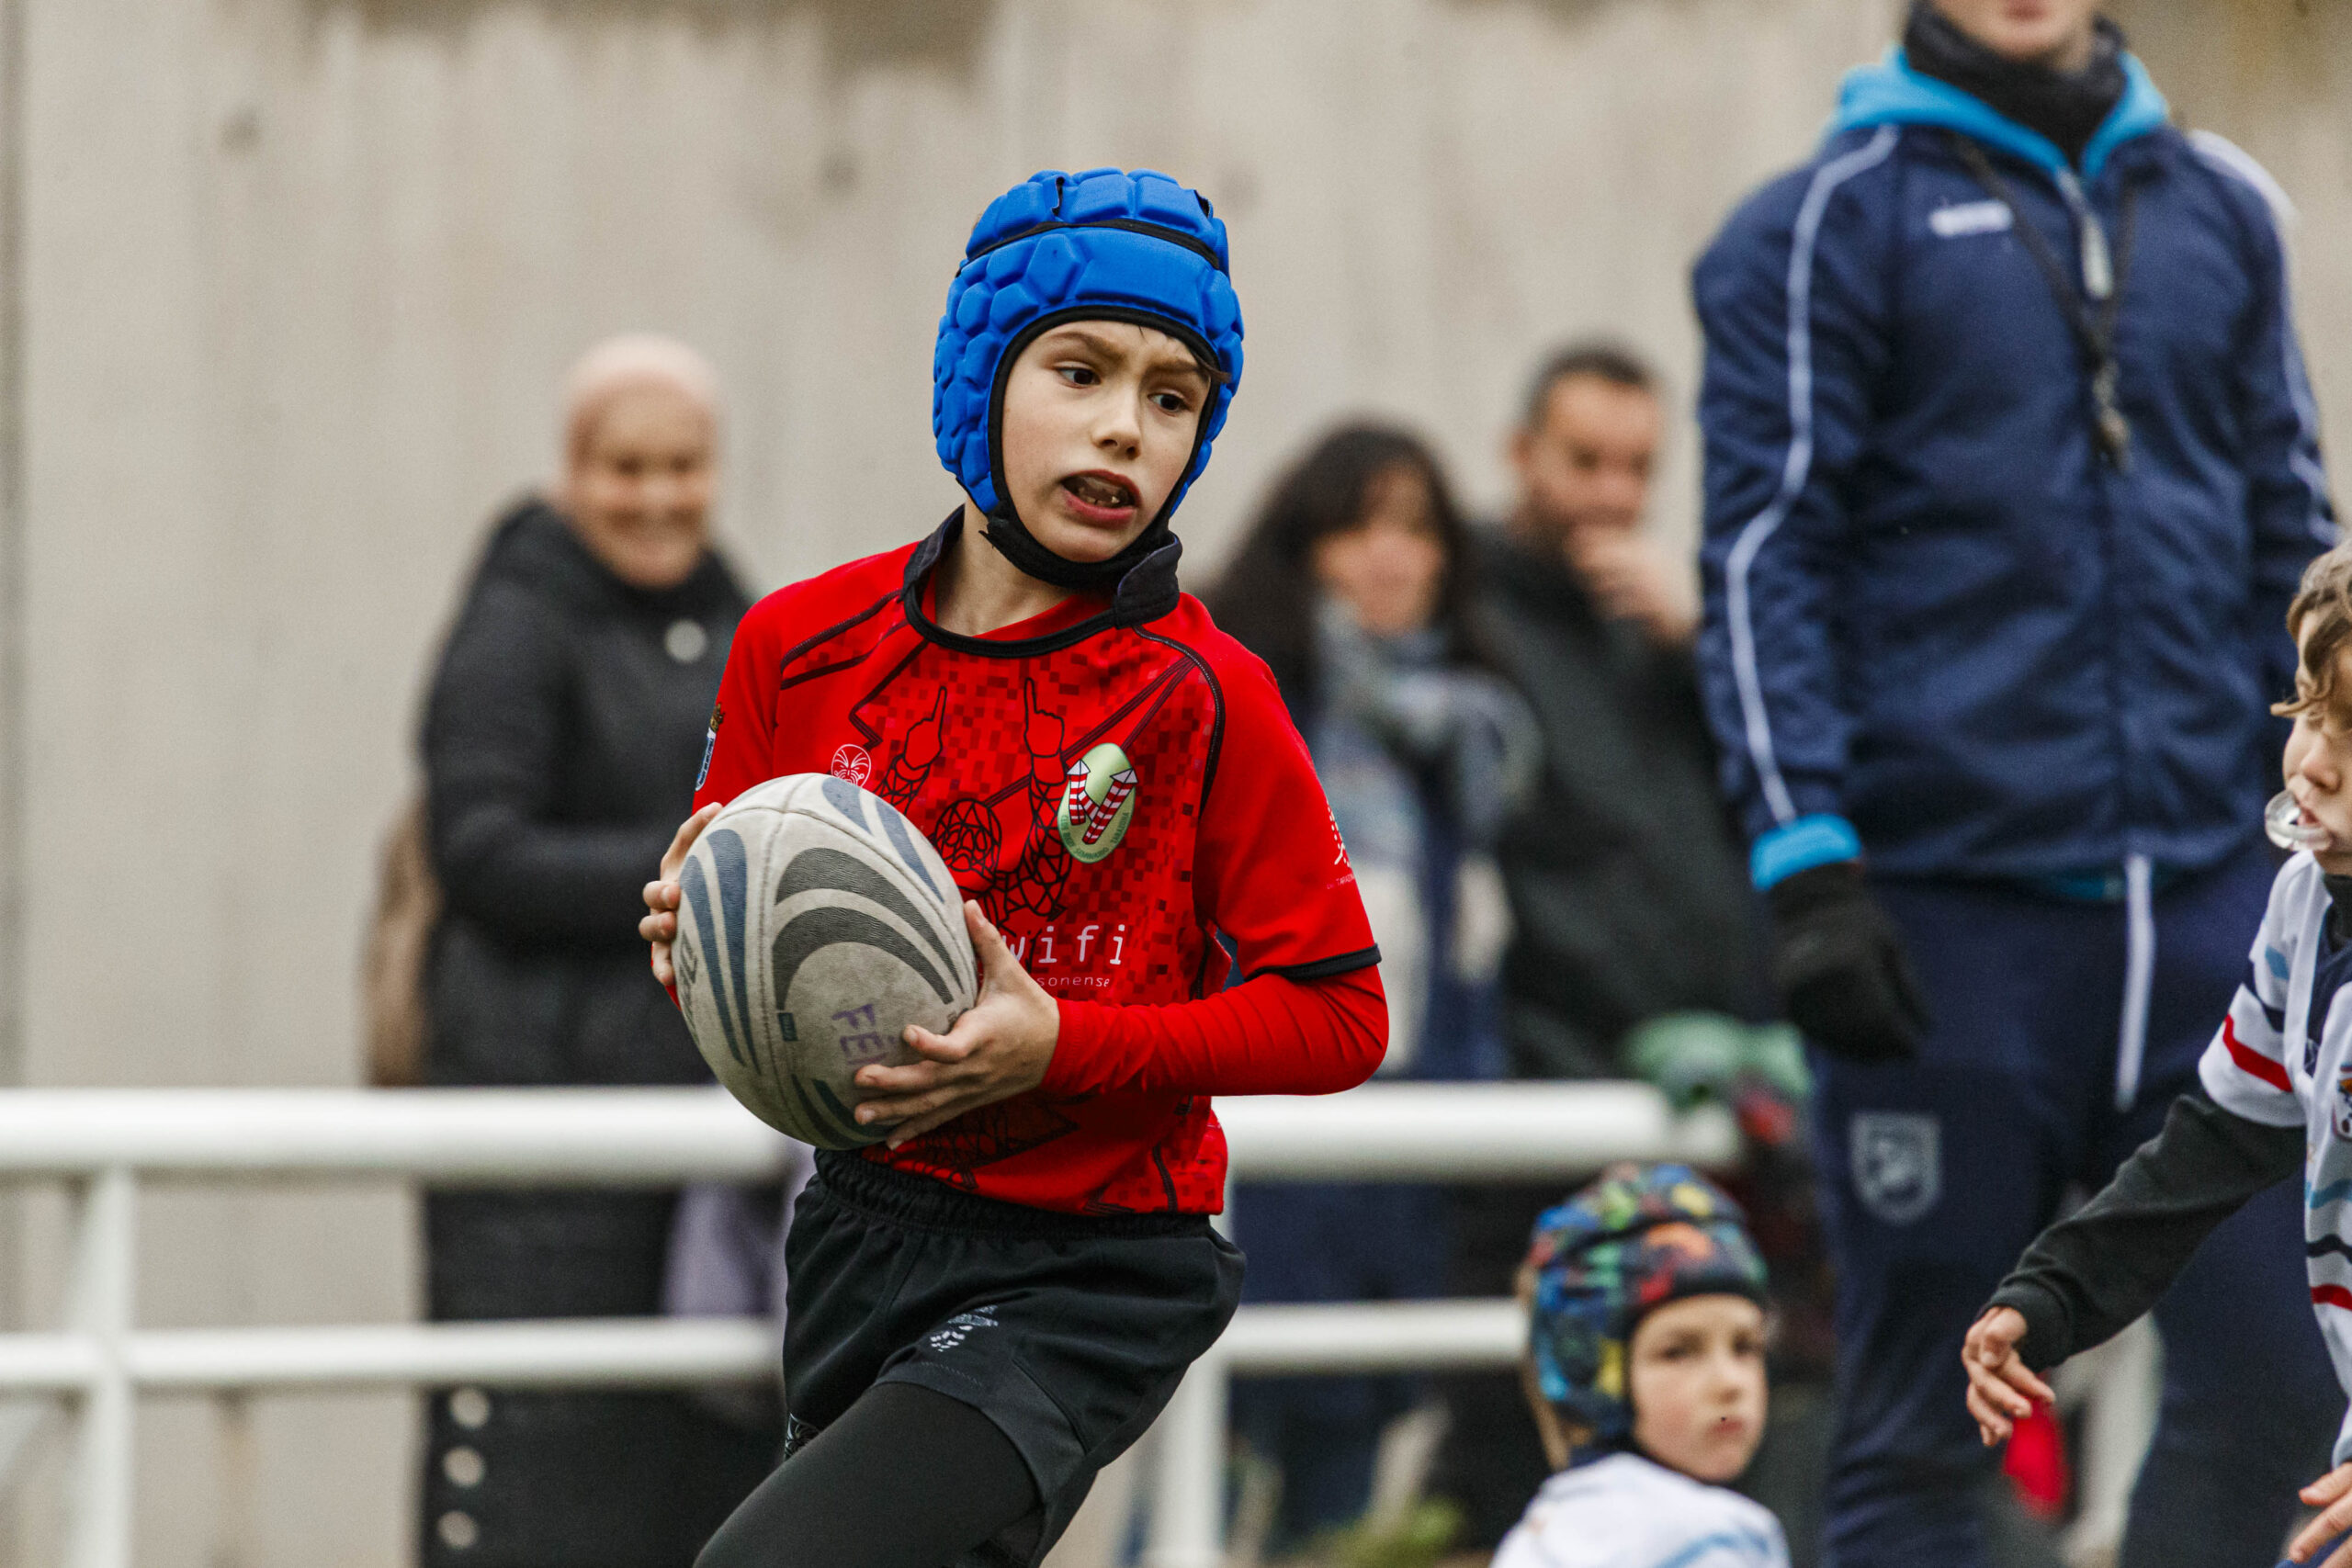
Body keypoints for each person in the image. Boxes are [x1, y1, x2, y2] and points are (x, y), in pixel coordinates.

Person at [637, 168, 1387, 1568]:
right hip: (858, 1226)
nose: (1126, 424)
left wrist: (1060, 1045)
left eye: (1174, 397)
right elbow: (749, 961)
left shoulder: (1208, 694)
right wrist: (694, 934)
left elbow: (1343, 1015)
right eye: (1080, 370)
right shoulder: (797, 643)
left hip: (1091, 1267)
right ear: (977, 378)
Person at [1692, 2, 2340, 1562]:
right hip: (1945, 927)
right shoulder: (1821, 225)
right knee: (1930, 1415)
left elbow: (2295, 536)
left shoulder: (2225, 206)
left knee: (2285, 1386)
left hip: (2212, 901)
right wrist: (1809, 858)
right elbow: (1766, 553)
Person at [417, 333, 772, 1567]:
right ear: (573, 469)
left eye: (685, 464)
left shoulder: (738, 614)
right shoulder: (517, 619)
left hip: (697, 1134)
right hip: (539, 1129)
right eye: (627, 466)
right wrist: (700, 870)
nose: (658, 496)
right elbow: (479, 849)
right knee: (541, 1475)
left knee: (694, 1475)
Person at [1435, 345, 1776, 1553]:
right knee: (1507, 1426)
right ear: (1520, 454)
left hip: (1686, 1085)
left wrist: (1704, 645)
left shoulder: (1662, 626)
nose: (1612, 495)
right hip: (1538, 1085)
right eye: (1584, 461)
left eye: (1637, 467)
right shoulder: (1468, 617)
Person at [1961, 543, 2352, 1568]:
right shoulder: (2302, 903)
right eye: (2307, 711)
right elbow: (2214, 1141)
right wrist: (2053, 1293)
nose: (2313, 762)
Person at [1205, 423, 1535, 1548]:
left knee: (1337, 1502)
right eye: (1358, 528)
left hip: (1400, 1168)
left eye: (1416, 528)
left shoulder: (1469, 741)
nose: (1390, 557)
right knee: (1201, 1479)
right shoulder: (1238, 709)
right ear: (1304, 549)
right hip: (1254, 1160)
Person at [1495, 1163, 1788, 1568]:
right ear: (1591, 1372)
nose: (1730, 1383)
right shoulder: (1712, 1542)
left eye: (1745, 1347)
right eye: (1678, 1352)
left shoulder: (1542, 1534)